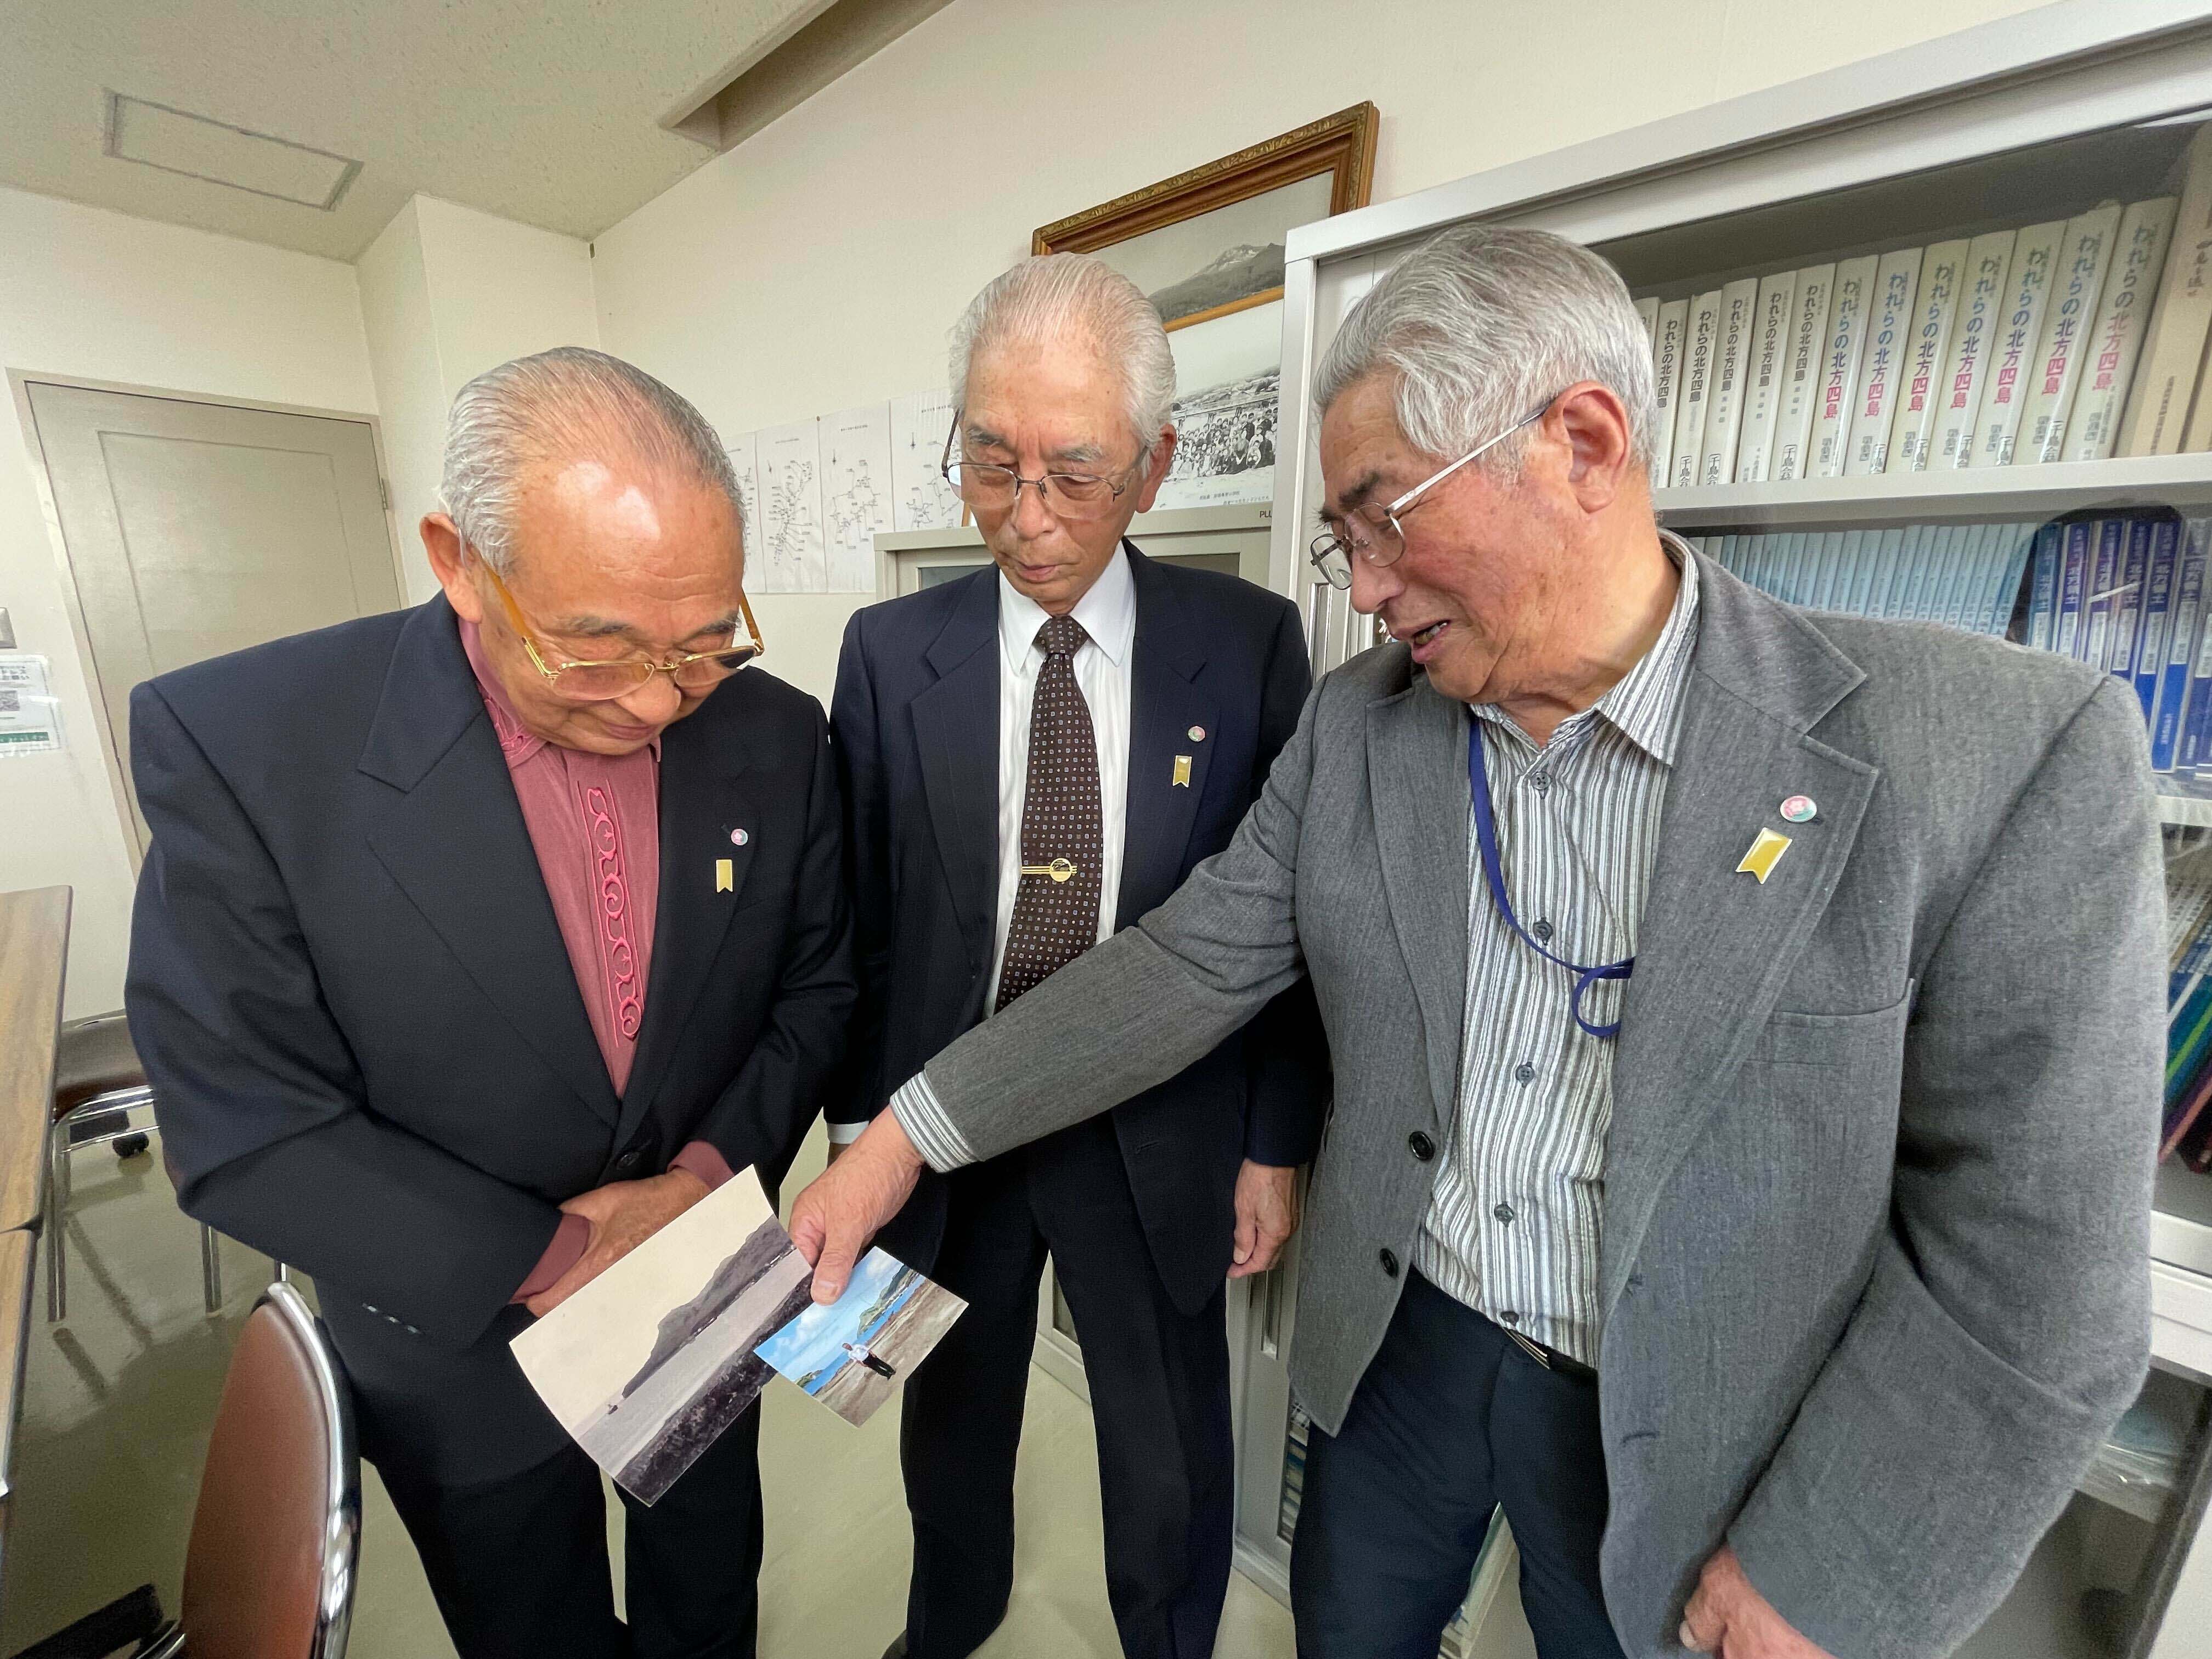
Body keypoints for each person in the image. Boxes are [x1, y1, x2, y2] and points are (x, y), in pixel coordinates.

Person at [793, 227, 2162, 1659]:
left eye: (1387, 519)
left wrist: (1838, 1567)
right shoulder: (1363, 725)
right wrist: (904, 1132)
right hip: (1403, 1355)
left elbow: (2034, 1282)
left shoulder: (2000, 756)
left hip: (1688, 1438)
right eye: (1346, 539)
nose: (1367, 588)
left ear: (1580, 443)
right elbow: (1191, 961)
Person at [127, 347, 855, 1659]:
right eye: (595, 647)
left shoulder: (772, 731)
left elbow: (814, 985)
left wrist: (692, 1183)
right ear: (460, 562)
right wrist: (566, 1256)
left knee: (709, 1578)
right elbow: (246, 1125)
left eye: (701, 645)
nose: (653, 701)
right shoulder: (248, 748)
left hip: (699, 1271)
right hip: (453, 1329)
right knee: (533, 1622)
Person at [828, 253, 1329, 1659]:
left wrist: (1273, 1142)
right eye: (991, 465)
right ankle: (953, 1617)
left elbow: (1286, 927)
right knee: (954, 1415)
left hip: (1156, 1122)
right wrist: (869, 1127)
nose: (1028, 518)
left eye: (1074, 474)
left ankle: (1164, 1636)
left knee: (1162, 1438)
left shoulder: (1245, 647)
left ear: (1156, 467)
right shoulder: (886, 652)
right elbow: (863, 917)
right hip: (949, 1129)